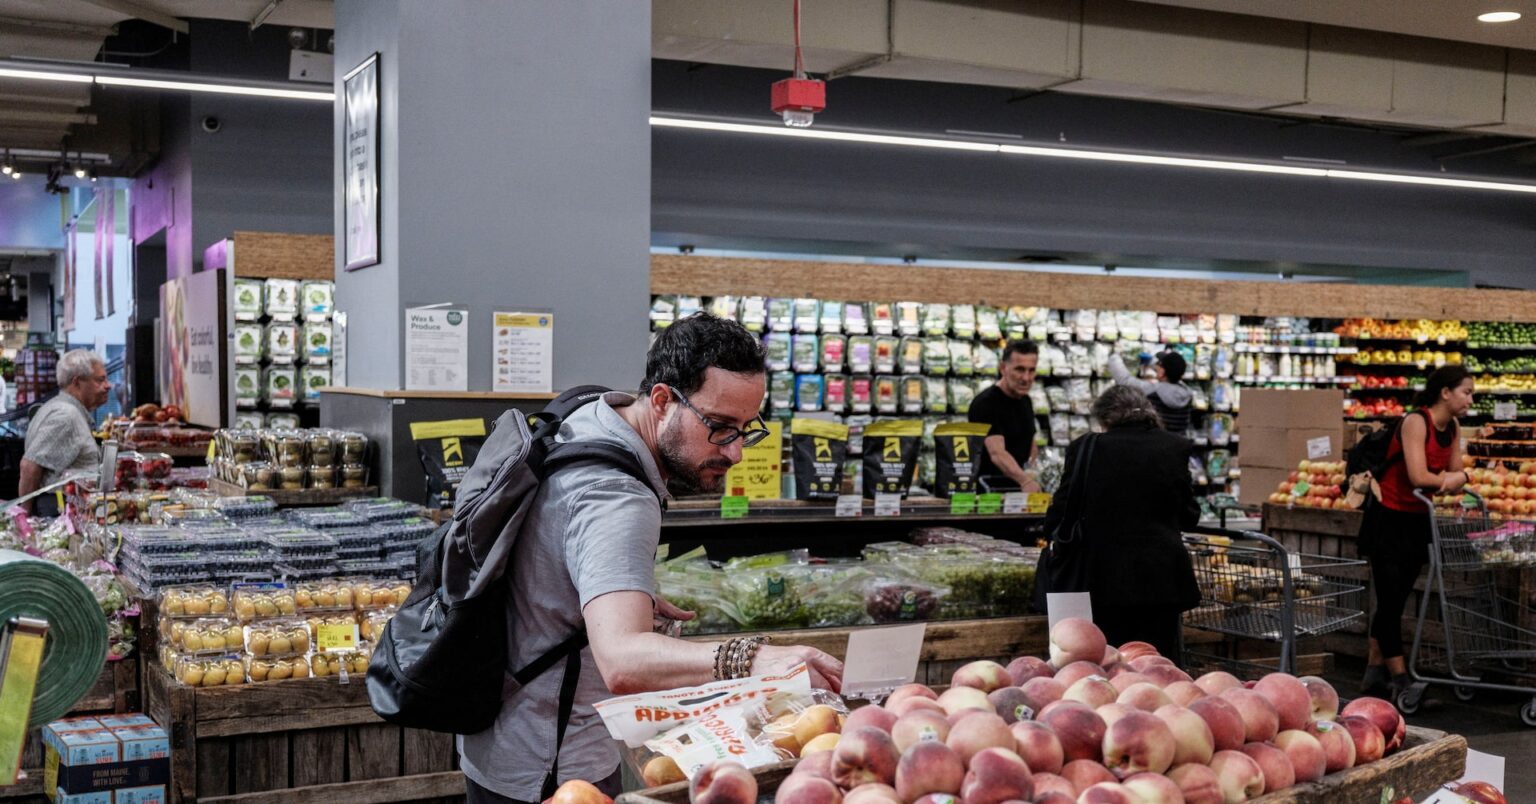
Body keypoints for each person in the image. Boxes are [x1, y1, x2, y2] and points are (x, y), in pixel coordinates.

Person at [458, 312, 843, 804]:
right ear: (662, 400)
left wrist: (609, 593)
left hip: (501, 738)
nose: (736, 454)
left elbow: (550, 548)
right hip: (553, 767)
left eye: (746, 429)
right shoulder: (617, 496)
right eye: (720, 427)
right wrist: (754, 658)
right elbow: (623, 661)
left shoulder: (588, 415)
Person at [1042, 385, 1200, 657]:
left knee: (1104, 661)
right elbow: (1189, 517)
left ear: (1104, 418)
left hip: (1100, 580)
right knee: (1156, 663)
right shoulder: (1175, 446)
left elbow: (1060, 514)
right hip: (1161, 581)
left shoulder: (1086, 448)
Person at [1358, 365, 1472, 699]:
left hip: (1418, 520)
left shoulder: (1452, 427)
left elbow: (1455, 472)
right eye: (1466, 392)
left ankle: (1373, 672)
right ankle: (1401, 679)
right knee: (1391, 600)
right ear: (1445, 392)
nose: (1470, 400)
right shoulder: (1416, 422)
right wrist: (1453, 480)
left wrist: (1453, 479)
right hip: (1388, 519)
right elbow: (1419, 477)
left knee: (1396, 597)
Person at [19, 350, 110, 514]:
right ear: (77, 382)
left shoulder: (61, 408)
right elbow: (29, 466)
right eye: (100, 380)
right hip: (58, 512)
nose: (108, 385)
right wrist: (24, 516)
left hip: (67, 510)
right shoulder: (66, 416)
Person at [969, 340, 1041, 492]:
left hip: (1018, 490)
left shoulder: (1025, 400)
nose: (1026, 378)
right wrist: (1025, 481)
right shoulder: (986, 403)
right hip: (990, 494)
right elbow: (997, 454)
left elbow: (1031, 442)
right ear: (1002, 368)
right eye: (1020, 369)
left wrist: (1033, 472)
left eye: (1031, 370)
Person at [1108, 349, 1193, 434]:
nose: (1157, 367)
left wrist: (1114, 357)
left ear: (1162, 371)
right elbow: (1172, 371)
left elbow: (1125, 380)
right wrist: (1151, 361)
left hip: (1157, 439)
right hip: (1179, 439)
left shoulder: (1154, 390)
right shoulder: (1188, 392)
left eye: (1160, 365)